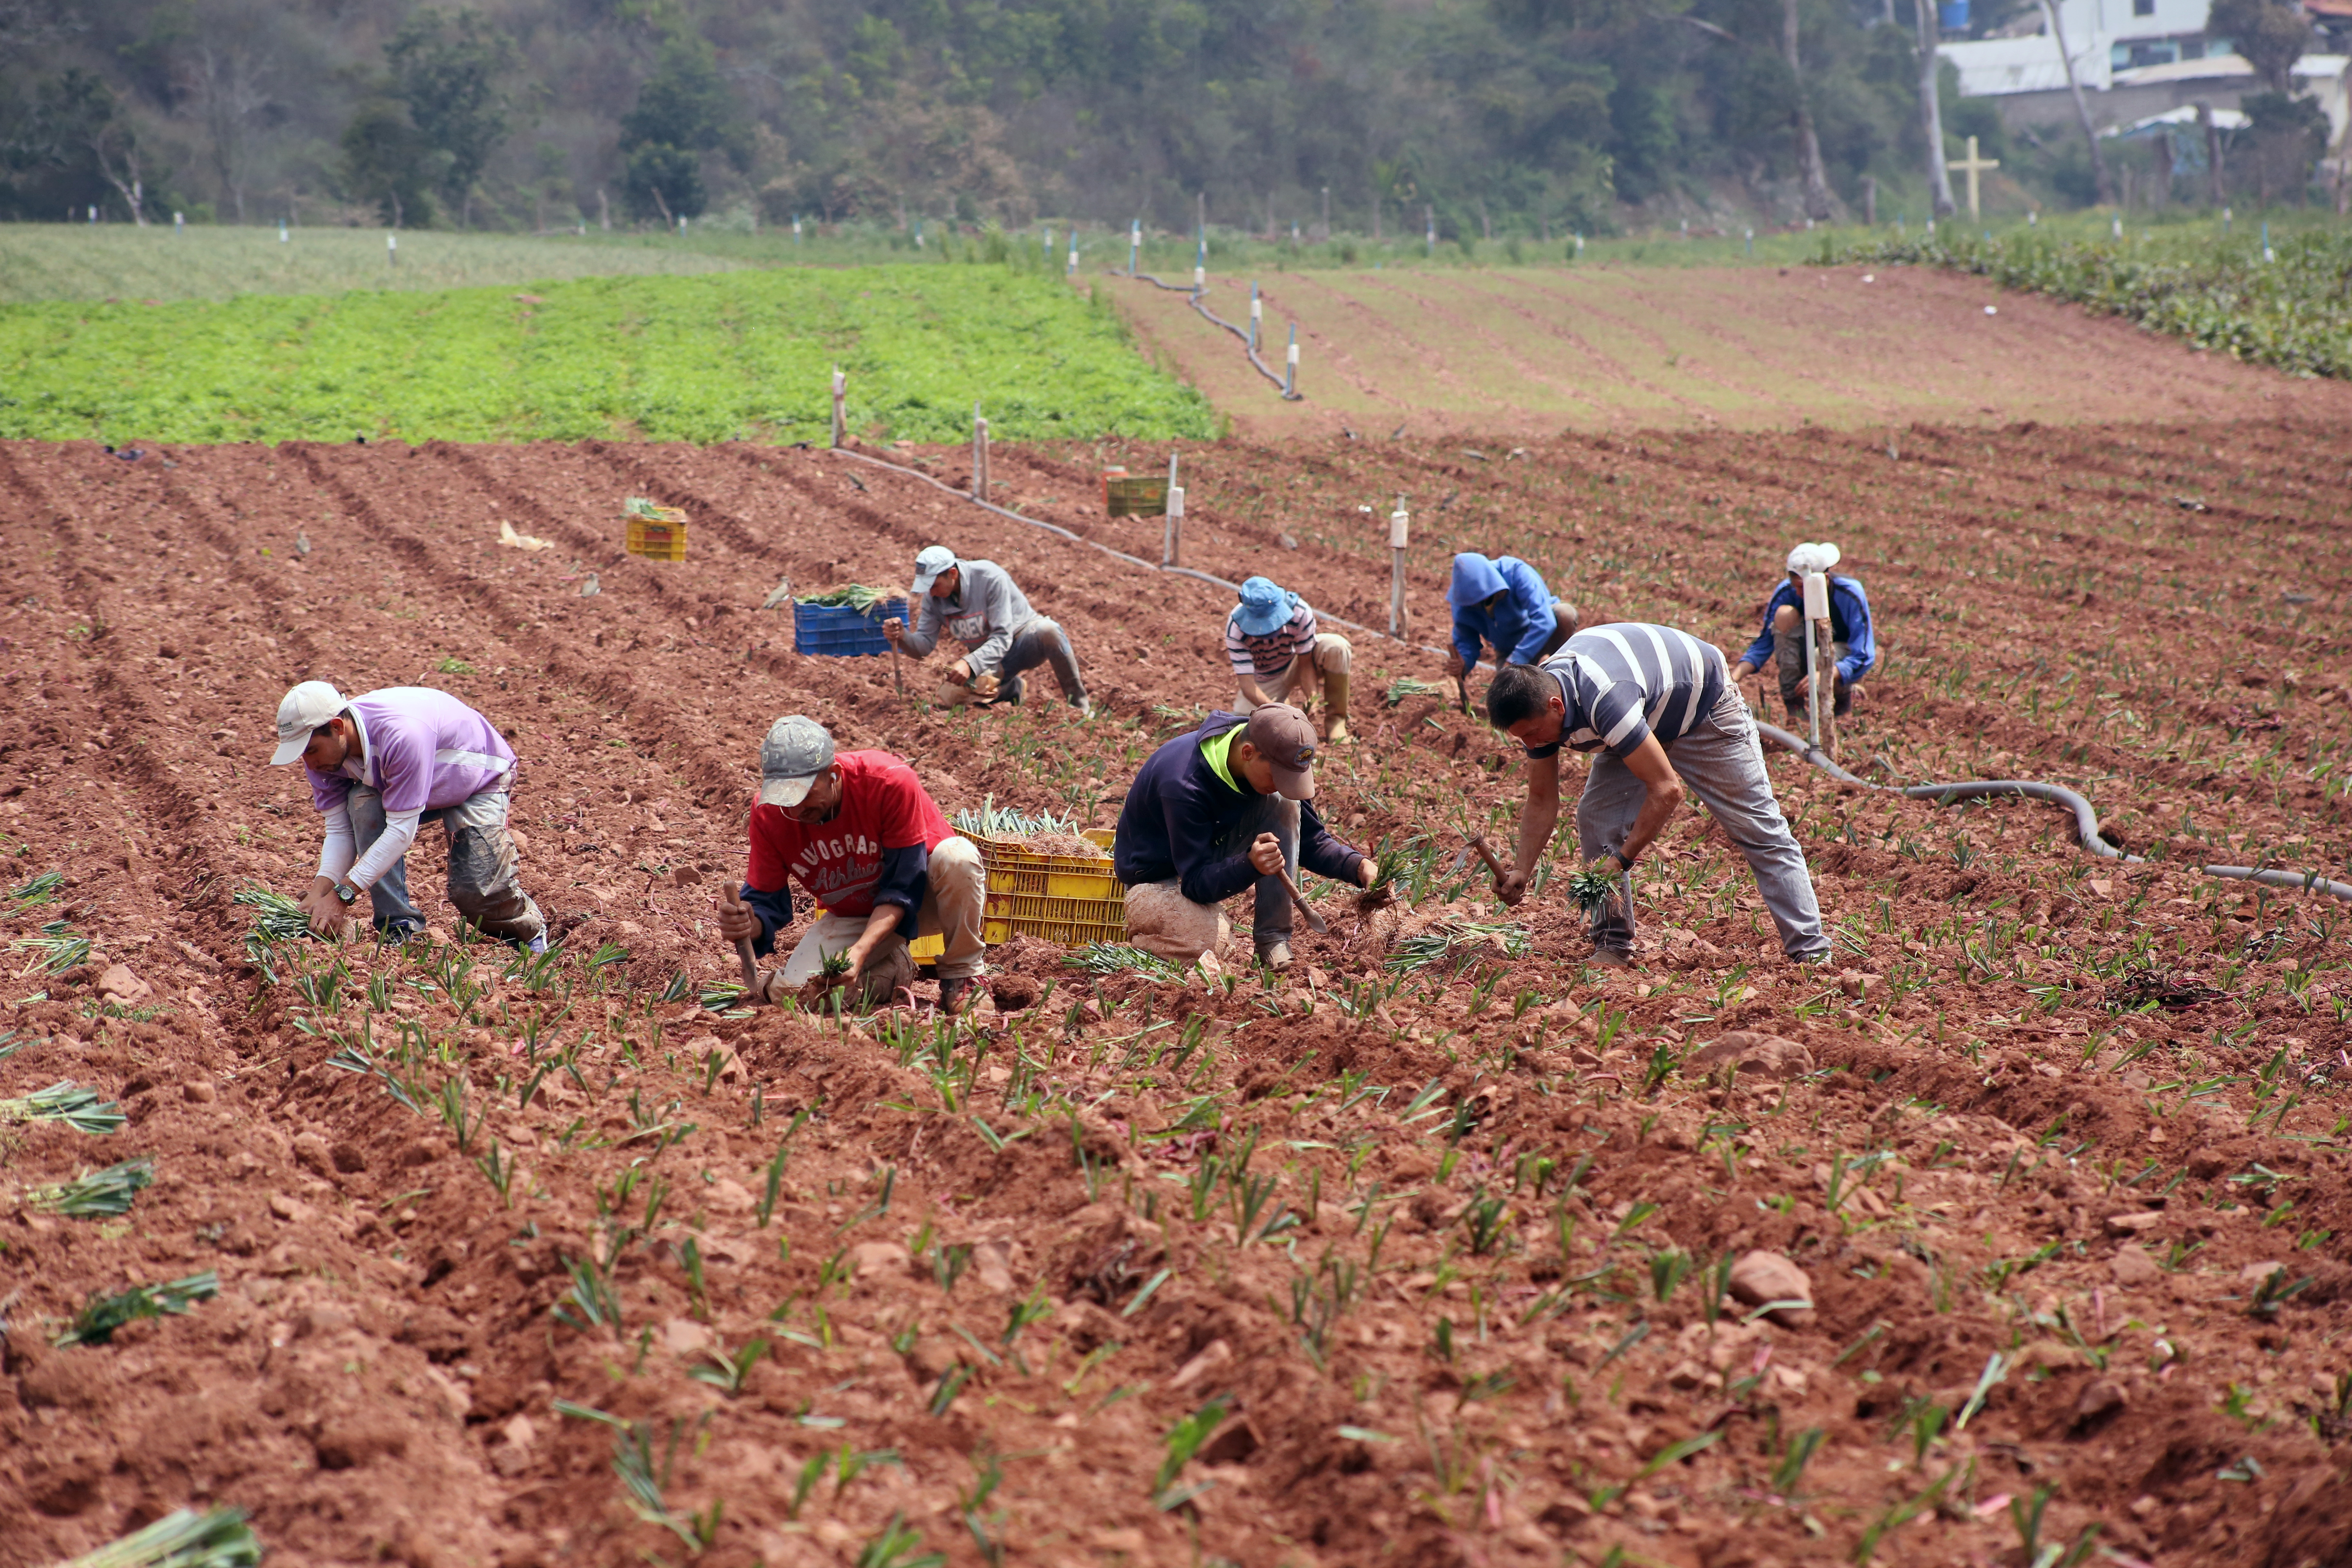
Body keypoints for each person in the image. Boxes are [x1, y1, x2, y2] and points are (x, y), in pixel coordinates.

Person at [1483, 625, 1828, 966]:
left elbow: (1666, 790)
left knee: (1758, 829)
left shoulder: (1605, 699)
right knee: (1598, 818)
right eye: (1522, 738)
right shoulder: (1538, 711)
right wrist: (1521, 870)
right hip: (1643, 710)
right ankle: (1613, 944)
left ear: (1556, 706)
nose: (1531, 744)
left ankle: (1811, 950)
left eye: (1532, 734)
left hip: (1704, 709)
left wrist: (1622, 859)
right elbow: (1542, 799)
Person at [715, 715, 987, 1014]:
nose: (795, 808)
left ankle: (962, 976)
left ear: (833, 774)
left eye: (803, 794)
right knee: (797, 996)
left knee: (958, 856)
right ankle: (895, 967)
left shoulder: (887, 781)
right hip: (857, 913)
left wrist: (858, 953)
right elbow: (766, 901)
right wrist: (747, 924)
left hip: (928, 897)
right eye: (784, 798)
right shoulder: (769, 815)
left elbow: (903, 885)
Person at [269, 681, 546, 949]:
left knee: (476, 891)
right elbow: (341, 831)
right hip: (408, 778)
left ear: (338, 727)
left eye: (311, 750)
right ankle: (398, 926)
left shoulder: (402, 735)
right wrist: (319, 892)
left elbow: (401, 832)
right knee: (363, 802)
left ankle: (529, 930)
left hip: (477, 776)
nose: (309, 763)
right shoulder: (324, 759)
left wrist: (342, 895)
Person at [1113, 704, 1375, 971]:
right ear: (1248, 753)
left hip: (1210, 850)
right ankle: (1146, 928)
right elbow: (1194, 883)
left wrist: (1359, 867)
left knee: (1283, 803)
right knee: (1205, 945)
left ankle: (1273, 941)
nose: (1283, 785)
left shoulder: (1260, 756)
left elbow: (1309, 841)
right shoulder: (1183, 784)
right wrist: (1250, 865)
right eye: (1278, 776)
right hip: (1158, 874)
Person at [884, 545, 1090, 714]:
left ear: (953, 574)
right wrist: (903, 637)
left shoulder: (989, 577)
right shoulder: (933, 599)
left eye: (934, 585)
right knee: (951, 697)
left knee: (1049, 630)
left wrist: (969, 663)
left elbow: (1002, 637)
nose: (931, 592)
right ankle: (1010, 689)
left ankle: (1080, 707)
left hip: (1023, 642)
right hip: (990, 660)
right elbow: (924, 647)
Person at [1730, 543, 1876, 725]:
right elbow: (1764, 643)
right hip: (1804, 651)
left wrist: (1827, 673)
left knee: (1819, 655)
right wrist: (1733, 679)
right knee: (1784, 616)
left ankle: (1841, 705)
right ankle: (1795, 706)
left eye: (1805, 587)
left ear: (1825, 579)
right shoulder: (1786, 591)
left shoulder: (1850, 593)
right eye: (1796, 587)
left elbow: (1864, 654)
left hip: (1838, 657)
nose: (1800, 594)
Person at [1224, 575, 1353, 744]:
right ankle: (1281, 701)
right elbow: (1248, 685)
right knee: (1245, 724)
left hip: (1296, 663)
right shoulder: (1236, 627)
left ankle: (1336, 721)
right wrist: (1279, 713)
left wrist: (1312, 699)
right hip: (1265, 677)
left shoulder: (1300, 612)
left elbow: (1305, 664)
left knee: (1336, 647)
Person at [1443, 553, 1577, 679]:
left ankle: (1561, 671)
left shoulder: (1516, 572)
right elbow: (1466, 639)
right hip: (1509, 648)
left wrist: (1518, 658)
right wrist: (1464, 662)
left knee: (1564, 614)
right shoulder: (1462, 601)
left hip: (1543, 634)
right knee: (1509, 694)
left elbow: (1545, 621)